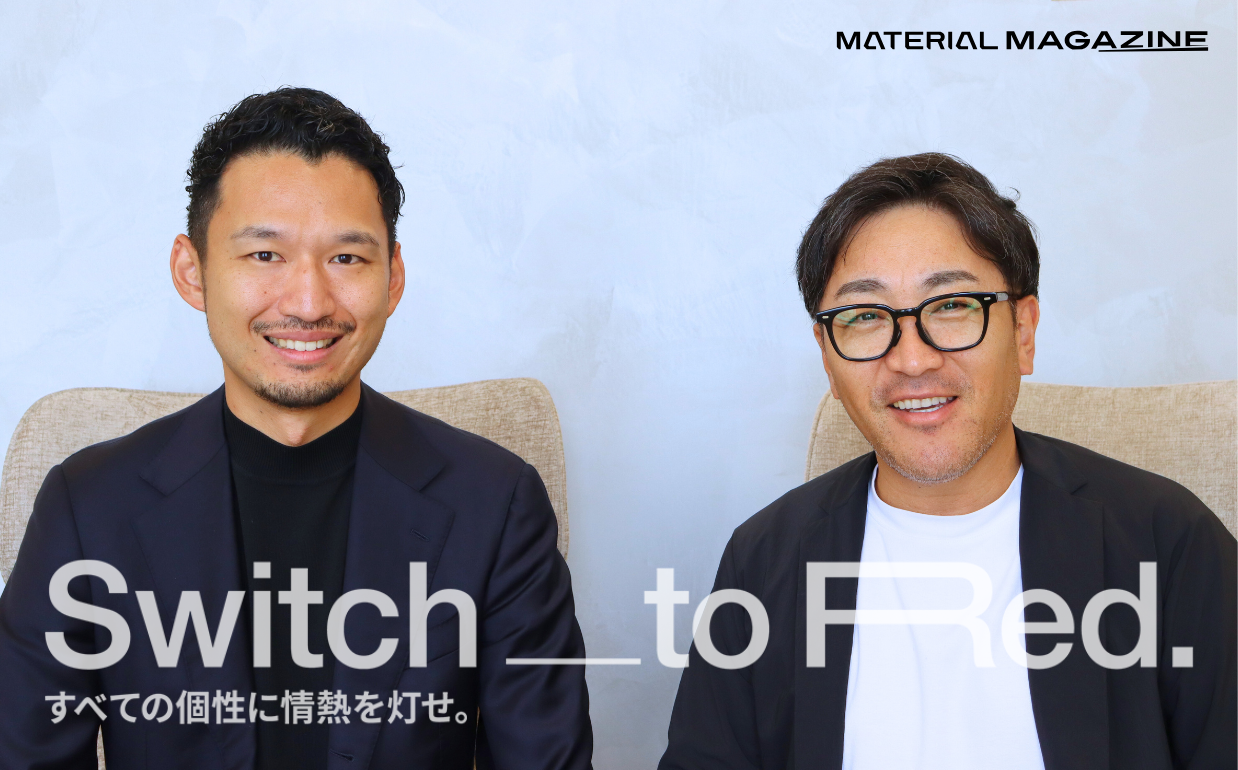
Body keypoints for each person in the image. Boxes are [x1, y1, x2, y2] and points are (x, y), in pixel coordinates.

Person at [0, 87, 592, 770]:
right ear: (192, 272)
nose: (309, 304)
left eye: (347, 258)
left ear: (393, 278)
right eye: (264, 255)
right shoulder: (88, 506)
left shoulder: (496, 503)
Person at [658, 153, 1235, 770]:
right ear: (827, 356)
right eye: (864, 316)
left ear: (1024, 331)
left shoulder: (1165, 542)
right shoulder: (764, 560)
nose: (913, 360)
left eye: (953, 306)